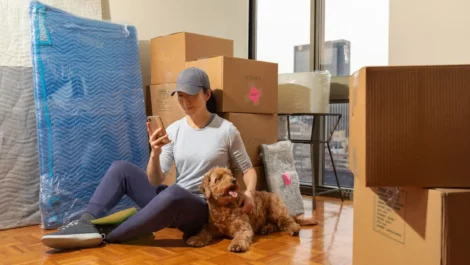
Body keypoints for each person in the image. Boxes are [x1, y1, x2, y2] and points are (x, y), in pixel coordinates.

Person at [41, 67, 257, 249]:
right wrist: (155, 153)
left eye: (191, 94)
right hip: (174, 199)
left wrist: (249, 192)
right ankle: (85, 223)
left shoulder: (226, 130)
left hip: (204, 208)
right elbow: (155, 180)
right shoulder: (174, 131)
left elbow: (248, 170)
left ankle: (107, 234)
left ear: (207, 95)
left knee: (174, 193)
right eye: (180, 95)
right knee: (121, 169)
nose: (185, 101)